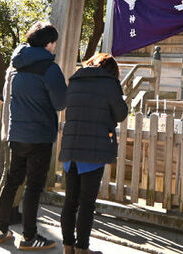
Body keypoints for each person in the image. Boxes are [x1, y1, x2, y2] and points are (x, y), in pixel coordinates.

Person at [0, 22, 67, 251]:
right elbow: (60, 102)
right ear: (48, 43)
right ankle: (29, 236)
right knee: (34, 187)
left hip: (17, 133)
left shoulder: (16, 66)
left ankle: (0, 229)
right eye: (54, 42)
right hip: (40, 135)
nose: (55, 47)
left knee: (12, 181)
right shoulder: (49, 68)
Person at [58, 53, 128, 254]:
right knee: (87, 203)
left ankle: (67, 247)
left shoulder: (74, 80)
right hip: (94, 150)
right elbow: (121, 114)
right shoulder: (110, 84)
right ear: (112, 71)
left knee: (70, 201)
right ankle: (82, 248)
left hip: (71, 147)